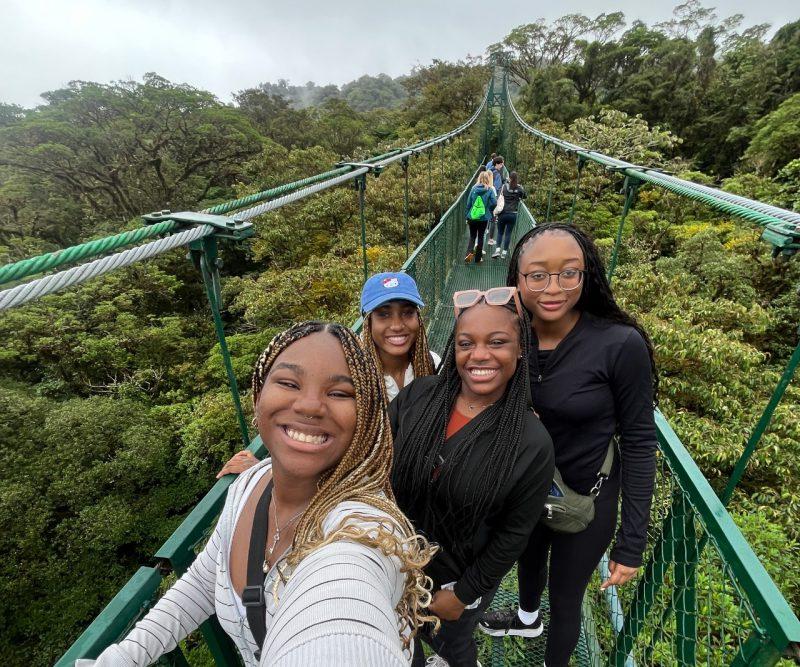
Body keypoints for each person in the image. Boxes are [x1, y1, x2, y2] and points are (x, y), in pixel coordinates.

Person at [80, 322, 436, 667]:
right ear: (258, 394)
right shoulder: (250, 484)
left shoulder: (366, 532)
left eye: (340, 393)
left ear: (368, 417)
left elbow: (343, 618)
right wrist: (121, 658)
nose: (310, 405)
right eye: (287, 382)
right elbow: (205, 581)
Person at [478, 223, 658, 667]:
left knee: (566, 598)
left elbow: (639, 440)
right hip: (525, 486)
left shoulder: (619, 344)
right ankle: (525, 618)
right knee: (529, 559)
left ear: (587, 275)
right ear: (517, 281)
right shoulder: (507, 335)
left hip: (586, 497)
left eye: (568, 274)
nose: (552, 288)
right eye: (537, 275)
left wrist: (631, 542)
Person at [390, 288, 555, 667]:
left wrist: (465, 594)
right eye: (466, 343)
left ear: (519, 351)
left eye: (497, 342)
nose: (479, 355)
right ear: (454, 348)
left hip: (454, 579)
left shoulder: (530, 442)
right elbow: (371, 451)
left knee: (453, 642)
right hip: (393, 559)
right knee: (400, 635)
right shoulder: (420, 396)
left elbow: (515, 533)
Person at [360, 272, 441, 402]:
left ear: (418, 318)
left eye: (408, 313)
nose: (397, 326)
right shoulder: (354, 376)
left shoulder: (433, 364)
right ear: (367, 323)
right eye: (384, 314)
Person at [491, 171, 527, 260]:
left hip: (503, 213)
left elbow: (498, 197)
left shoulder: (504, 187)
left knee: (500, 232)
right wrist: (520, 188)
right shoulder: (519, 189)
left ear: (509, 178)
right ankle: (504, 253)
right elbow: (525, 196)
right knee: (508, 234)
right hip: (513, 214)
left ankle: (497, 250)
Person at [464, 171, 497, 264]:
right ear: (487, 179)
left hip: (472, 217)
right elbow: (494, 202)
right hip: (483, 218)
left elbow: (468, 203)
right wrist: (488, 209)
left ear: (479, 178)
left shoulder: (473, 188)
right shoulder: (490, 189)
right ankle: (478, 258)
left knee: (472, 236)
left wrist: (467, 216)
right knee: (481, 237)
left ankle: (468, 254)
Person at [485, 156, 507, 247]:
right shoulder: (497, 174)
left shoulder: (488, 171)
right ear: (497, 164)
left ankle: (483, 233)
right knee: (493, 220)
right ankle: (490, 239)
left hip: (485, 199)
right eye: (501, 164)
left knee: (485, 218)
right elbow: (498, 188)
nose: (502, 166)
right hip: (492, 200)